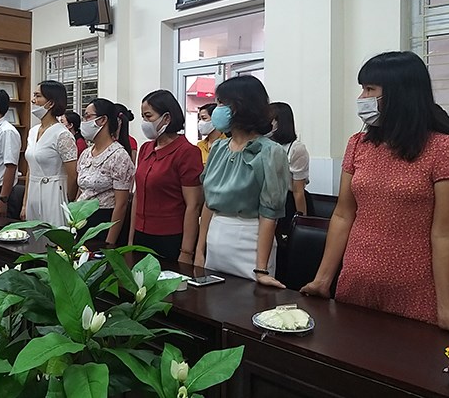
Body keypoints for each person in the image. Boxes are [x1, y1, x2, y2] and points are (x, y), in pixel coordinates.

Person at [301, 51, 449, 335]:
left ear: (400, 94)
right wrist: (322, 280)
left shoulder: (445, 149)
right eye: (362, 88)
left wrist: (447, 314)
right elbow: (344, 215)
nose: (362, 98)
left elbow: (445, 233)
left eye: (370, 89)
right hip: (355, 280)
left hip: (414, 287)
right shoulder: (358, 144)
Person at [194, 76, 289, 285]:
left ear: (240, 106)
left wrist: (261, 270)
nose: (217, 110)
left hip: (250, 242)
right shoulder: (218, 148)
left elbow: (269, 215)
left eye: (221, 103)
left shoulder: (270, 152)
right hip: (215, 239)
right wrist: (199, 251)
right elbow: (209, 204)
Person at [129, 90, 203, 263]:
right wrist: (131, 239)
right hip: (141, 233)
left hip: (170, 237)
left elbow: (193, 205)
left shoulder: (187, 152)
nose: (145, 122)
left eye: (149, 116)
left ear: (167, 118)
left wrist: (186, 252)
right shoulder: (146, 149)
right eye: (143, 117)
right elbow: (138, 195)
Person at [76, 98, 135, 244]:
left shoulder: (118, 156)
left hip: (103, 222)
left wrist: (110, 242)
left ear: (102, 120)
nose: (84, 122)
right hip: (82, 218)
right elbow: (81, 190)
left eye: (87, 116)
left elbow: (121, 205)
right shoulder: (86, 153)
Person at [22, 80, 78, 226]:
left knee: (53, 234)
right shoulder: (33, 131)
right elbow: (30, 170)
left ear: (51, 103)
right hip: (34, 192)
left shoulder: (62, 134)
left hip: (54, 193)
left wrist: (67, 199)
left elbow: (73, 175)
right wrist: (25, 203)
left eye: (38, 96)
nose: (33, 100)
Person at [269, 101, 312, 277]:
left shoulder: (296, 148)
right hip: (270, 199)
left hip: (289, 202)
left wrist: (302, 222)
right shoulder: (264, 144)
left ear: (280, 122)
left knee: (286, 250)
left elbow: (298, 191)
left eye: (269, 119)